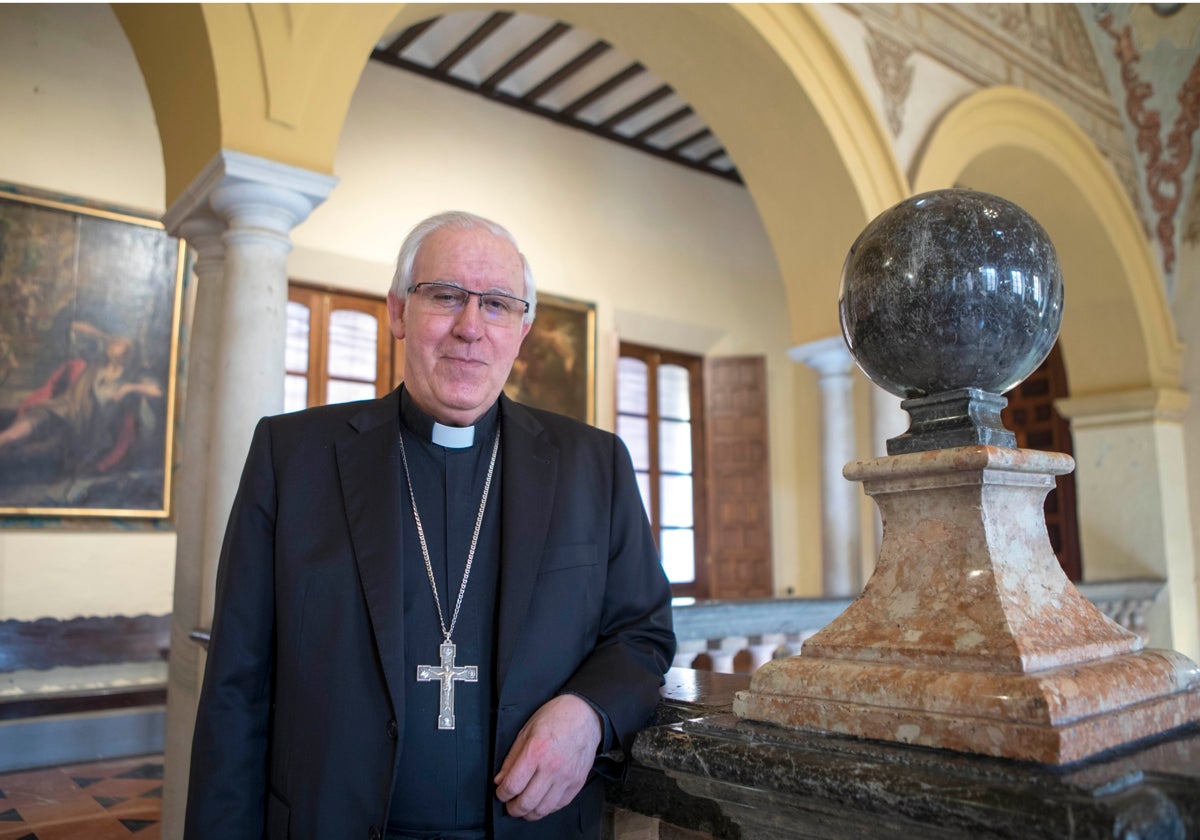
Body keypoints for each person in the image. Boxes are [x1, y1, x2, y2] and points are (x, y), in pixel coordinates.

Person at [185, 211, 676, 840]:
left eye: (497, 305)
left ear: (522, 329)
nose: (471, 328)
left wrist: (588, 712)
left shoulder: (594, 464)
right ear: (397, 312)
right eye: (445, 297)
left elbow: (643, 633)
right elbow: (236, 685)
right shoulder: (293, 455)